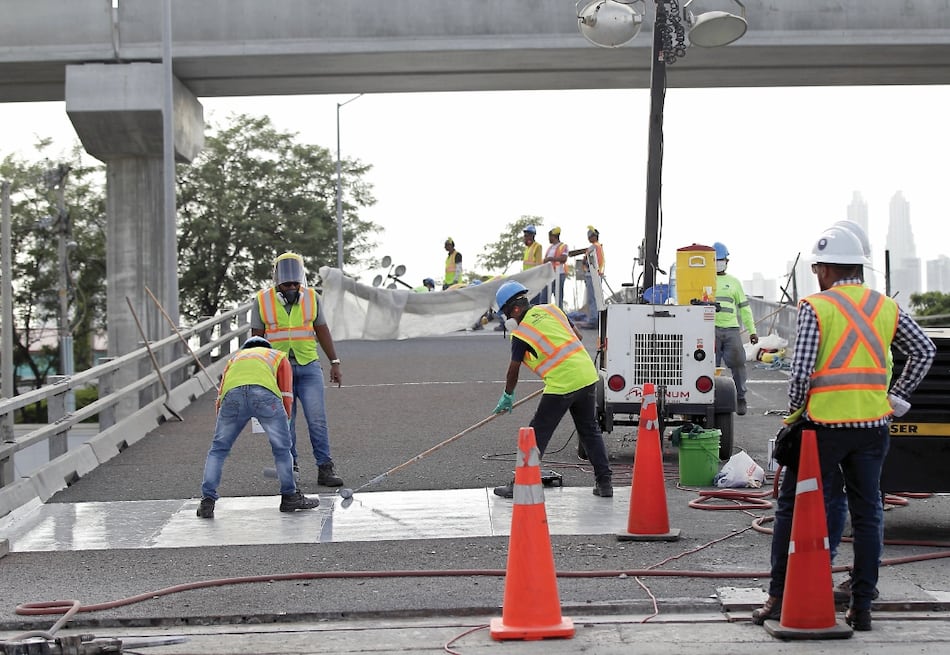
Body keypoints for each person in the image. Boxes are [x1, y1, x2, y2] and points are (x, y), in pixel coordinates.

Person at [752, 225, 935, 632]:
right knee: (868, 511)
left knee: (792, 508)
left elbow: (799, 374)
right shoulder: (885, 306)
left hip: (822, 429)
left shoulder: (816, 307)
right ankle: (862, 606)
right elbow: (924, 350)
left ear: (825, 269)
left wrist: (797, 411)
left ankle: (780, 596)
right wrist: (896, 399)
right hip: (872, 427)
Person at [490, 280, 613, 499]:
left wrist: (508, 395)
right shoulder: (552, 309)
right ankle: (604, 484)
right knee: (589, 431)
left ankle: (520, 484)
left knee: (535, 434)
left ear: (516, 309)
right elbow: (579, 336)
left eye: (508, 314)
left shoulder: (521, 335)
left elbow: (513, 368)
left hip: (562, 384)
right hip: (586, 375)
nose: (509, 319)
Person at [197, 336, 320, 518]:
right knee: (281, 449)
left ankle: (207, 501)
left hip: (232, 398)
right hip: (265, 396)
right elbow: (286, 393)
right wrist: (283, 423)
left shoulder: (235, 359)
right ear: (266, 347)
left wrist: (223, 423)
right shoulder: (277, 356)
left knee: (218, 449)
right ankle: (289, 497)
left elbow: (220, 395)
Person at [251, 252, 344, 487]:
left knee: (317, 420)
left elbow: (322, 331)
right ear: (277, 282)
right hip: (278, 370)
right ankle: (289, 468)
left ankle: (325, 468)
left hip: (308, 366)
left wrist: (334, 362)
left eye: (295, 283)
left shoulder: (312, 298)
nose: (291, 287)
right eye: (287, 284)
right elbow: (256, 340)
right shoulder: (262, 301)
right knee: (285, 422)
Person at [712, 241, 759, 416]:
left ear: (727, 261)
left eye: (721, 259)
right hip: (711, 330)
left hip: (731, 330)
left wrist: (752, 330)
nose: (718, 263)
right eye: (715, 260)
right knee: (710, 367)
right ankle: (711, 399)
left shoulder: (734, 283)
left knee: (738, 364)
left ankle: (740, 397)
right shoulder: (704, 280)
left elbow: (744, 308)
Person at [541, 226, 569, 309]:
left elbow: (563, 258)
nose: (549, 239)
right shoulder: (550, 248)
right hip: (549, 275)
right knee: (544, 297)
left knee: (558, 297)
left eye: (550, 237)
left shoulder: (563, 246)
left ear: (554, 236)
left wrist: (550, 259)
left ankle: (559, 315)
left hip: (559, 274)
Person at [582, 226, 605, 327]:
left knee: (592, 298)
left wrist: (584, 263)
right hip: (598, 274)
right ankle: (597, 318)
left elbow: (587, 261)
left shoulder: (593, 247)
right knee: (597, 297)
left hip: (592, 274)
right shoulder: (599, 246)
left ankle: (593, 319)